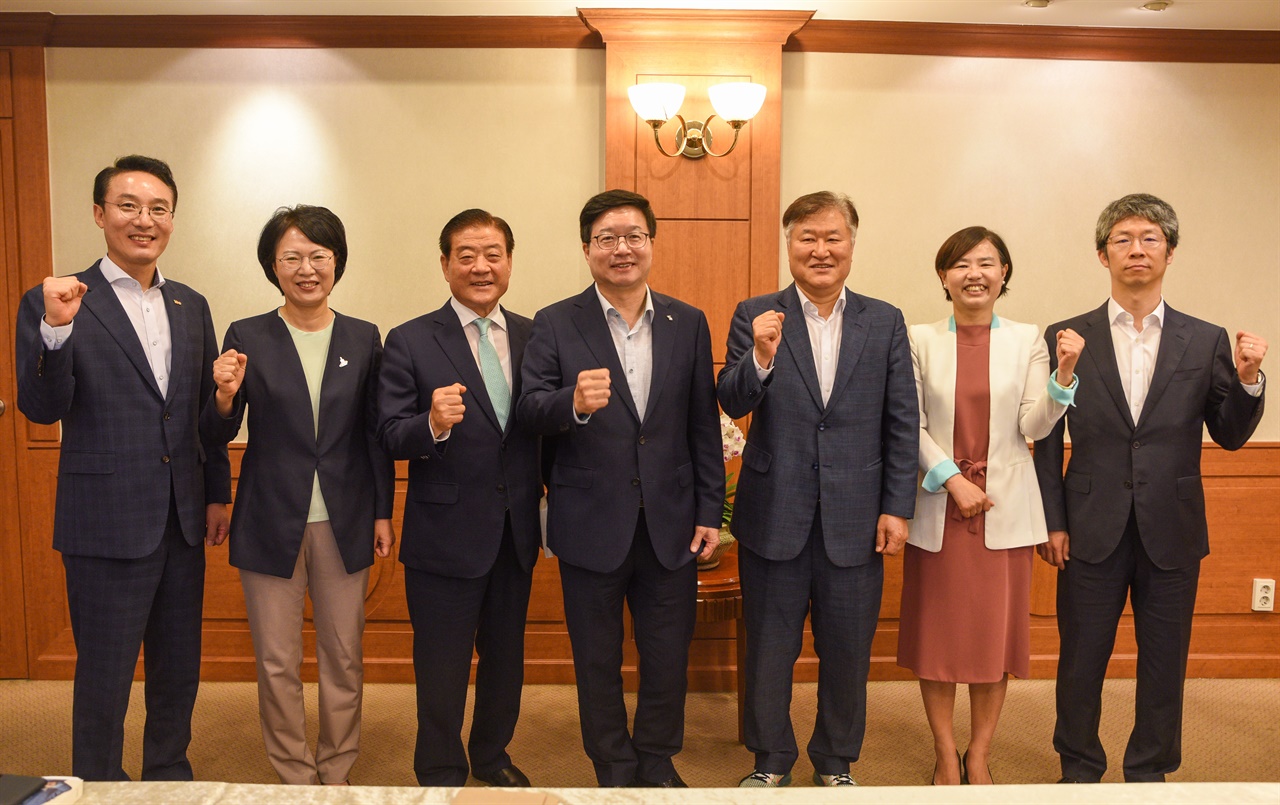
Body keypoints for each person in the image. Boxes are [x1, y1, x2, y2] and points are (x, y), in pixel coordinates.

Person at [1034, 193, 1266, 784]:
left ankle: (1150, 772)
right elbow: (1042, 436)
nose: (1137, 249)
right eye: (1123, 239)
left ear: (1169, 251)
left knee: (1165, 662)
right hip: (1089, 524)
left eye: (1150, 238)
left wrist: (1246, 380)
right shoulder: (1067, 335)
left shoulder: (1205, 338)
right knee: (1081, 660)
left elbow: (1231, 434)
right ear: (1102, 254)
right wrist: (1052, 522)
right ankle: (1079, 768)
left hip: (1174, 526)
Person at [14, 155, 230, 781]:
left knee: (177, 665)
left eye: (158, 208)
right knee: (105, 671)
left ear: (172, 219)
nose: (144, 220)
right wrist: (57, 331)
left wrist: (217, 490)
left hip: (183, 519)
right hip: (105, 521)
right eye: (129, 206)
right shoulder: (59, 298)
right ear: (100, 214)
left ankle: (168, 772)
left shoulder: (191, 305)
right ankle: (98, 785)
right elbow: (41, 407)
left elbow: (199, 419)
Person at [517, 189, 723, 788]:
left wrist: (710, 510)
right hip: (589, 522)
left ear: (652, 244)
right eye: (606, 239)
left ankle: (656, 760)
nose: (622, 249)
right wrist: (572, 404)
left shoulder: (688, 322)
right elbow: (529, 411)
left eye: (633, 235)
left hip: (673, 523)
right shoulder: (555, 322)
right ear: (587, 251)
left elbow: (700, 425)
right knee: (597, 659)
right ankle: (612, 765)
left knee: (666, 657)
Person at [717, 191, 918, 788]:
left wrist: (897, 508)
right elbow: (730, 400)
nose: (821, 250)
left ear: (852, 245)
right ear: (789, 245)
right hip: (773, 513)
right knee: (769, 652)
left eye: (833, 238)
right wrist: (759, 356)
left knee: (848, 651)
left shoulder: (883, 320)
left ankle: (835, 762)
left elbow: (902, 420)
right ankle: (770, 759)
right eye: (808, 238)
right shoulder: (758, 313)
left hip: (857, 517)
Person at [200, 205, 395, 785]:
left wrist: (383, 510)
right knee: (278, 660)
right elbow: (215, 434)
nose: (306, 269)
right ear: (273, 266)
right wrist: (223, 398)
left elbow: (375, 434)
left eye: (318, 256)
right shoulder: (247, 334)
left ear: (336, 262)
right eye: (292, 257)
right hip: (268, 517)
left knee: (343, 656)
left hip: (346, 517)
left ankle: (336, 771)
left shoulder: (363, 337)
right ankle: (293, 775)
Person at [897, 226, 1083, 785]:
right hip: (940, 504)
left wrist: (1063, 379)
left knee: (991, 641)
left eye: (987, 263)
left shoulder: (1027, 338)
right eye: (961, 264)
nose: (974, 273)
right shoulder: (916, 337)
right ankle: (945, 753)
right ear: (943, 276)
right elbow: (909, 423)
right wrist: (952, 480)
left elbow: (1032, 424)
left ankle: (979, 753)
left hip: (1003, 510)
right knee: (937, 641)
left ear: (1004, 274)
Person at [377, 209, 542, 788]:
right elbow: (390, 434)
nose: (481, 266)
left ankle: (493, 756)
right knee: (441, 667)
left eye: (493, 254)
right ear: (445, 263)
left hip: (514, 531)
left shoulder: (532, 335)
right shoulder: (410, 339)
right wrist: (434, 423)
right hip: (444, 536)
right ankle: (441, 768)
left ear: (510, 262)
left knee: (505, 663)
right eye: (466, 255)